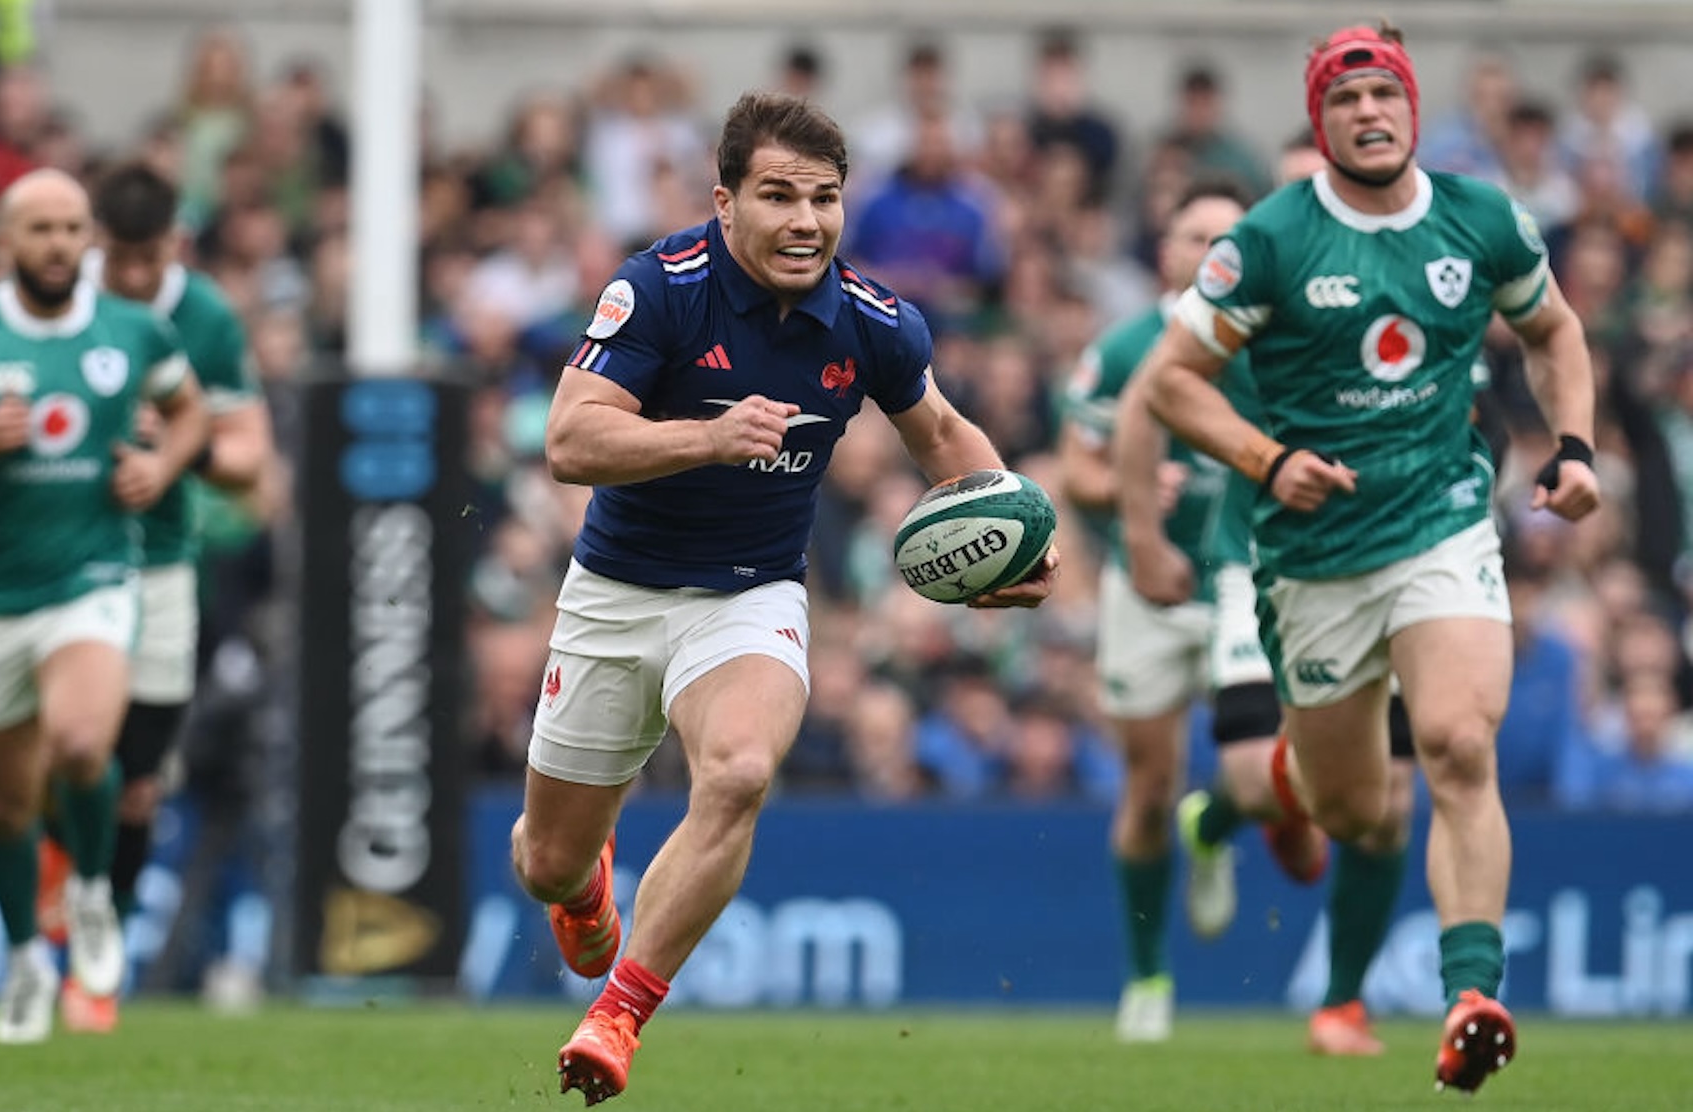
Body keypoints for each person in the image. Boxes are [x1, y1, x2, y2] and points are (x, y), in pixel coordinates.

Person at [514, 91, 1056, 1105]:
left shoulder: (875, 320)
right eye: (778, 196)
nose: (806, 220)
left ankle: (619, 1012)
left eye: (825, 198)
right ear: (725, 203)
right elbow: (568, 441)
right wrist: (705, 435)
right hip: (616, 592)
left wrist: (1016, 537)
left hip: (750, 593)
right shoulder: (659, 288)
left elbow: (941, 437)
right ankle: (586, 885)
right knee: (545, 860)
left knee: (741, 769)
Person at [1134, 24, 1600, 1093]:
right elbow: (1171, 379)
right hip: (1313, 559)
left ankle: (1471, 993)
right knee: (1356, 810)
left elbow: (1557, 331)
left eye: (1384, 94)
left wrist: (1575, 450)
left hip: (1442, 523)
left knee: (1456, 744)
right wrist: (1267, 456)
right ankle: (1280, 786)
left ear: (1414, 106)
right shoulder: (1271, 238)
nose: (1369, 114)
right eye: (1345, 102)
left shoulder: (1482, 217)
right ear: (1320, 120)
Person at [0, 168, 208, 1044]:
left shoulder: (132, 331)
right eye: (41, 230)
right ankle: (26, 958)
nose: (60, 245)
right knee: (8, 808)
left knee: (80, 743)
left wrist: (161, 467)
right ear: (4, 243)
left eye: (72, 229)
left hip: (94, 579)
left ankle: (94, 893)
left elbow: (190, 413)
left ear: (88, 240)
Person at [1111, 155, 1419, 1058]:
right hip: (1262, 562)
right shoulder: (1223, 310)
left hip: (1389, 566)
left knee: (1392, 802)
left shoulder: (1403, 293)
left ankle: (1343, 1005)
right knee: (1254, 781)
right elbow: (1138, 410)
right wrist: (1140, 535)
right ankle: (1219, 820)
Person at [34, 160, 271, 1032]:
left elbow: (251, 462)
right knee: (73, 747)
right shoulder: (51, 305)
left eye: (147, 259)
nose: (132, 277)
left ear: (173, 244)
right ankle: (59, 850)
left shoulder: (203, 318)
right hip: (62, 560)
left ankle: (97, 966)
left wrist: (181, 445)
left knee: (138, 787)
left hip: (166, 566)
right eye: (118, 258)